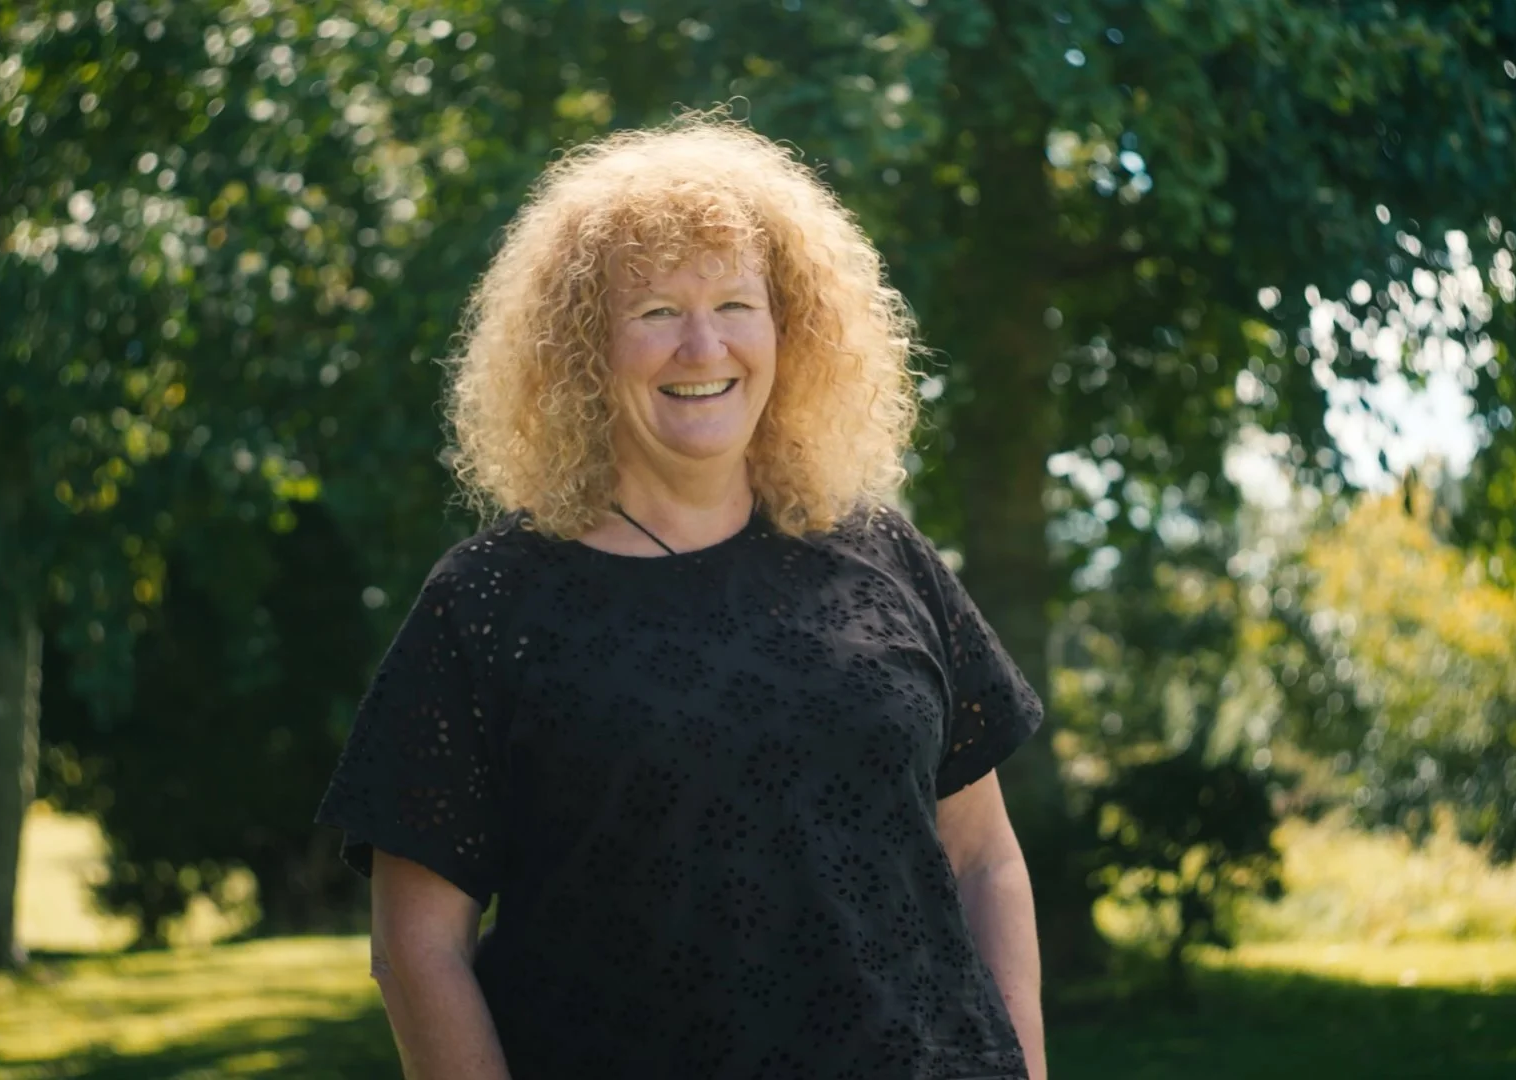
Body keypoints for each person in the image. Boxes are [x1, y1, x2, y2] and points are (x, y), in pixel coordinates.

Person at [315, 113, 1047, 1080]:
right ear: (580, 348)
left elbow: (985, 857)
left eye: (737, 304)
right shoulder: (490, 603)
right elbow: (416, 948)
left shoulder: (883, 553)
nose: (703, 348)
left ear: (790, 327)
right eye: (655, 311)